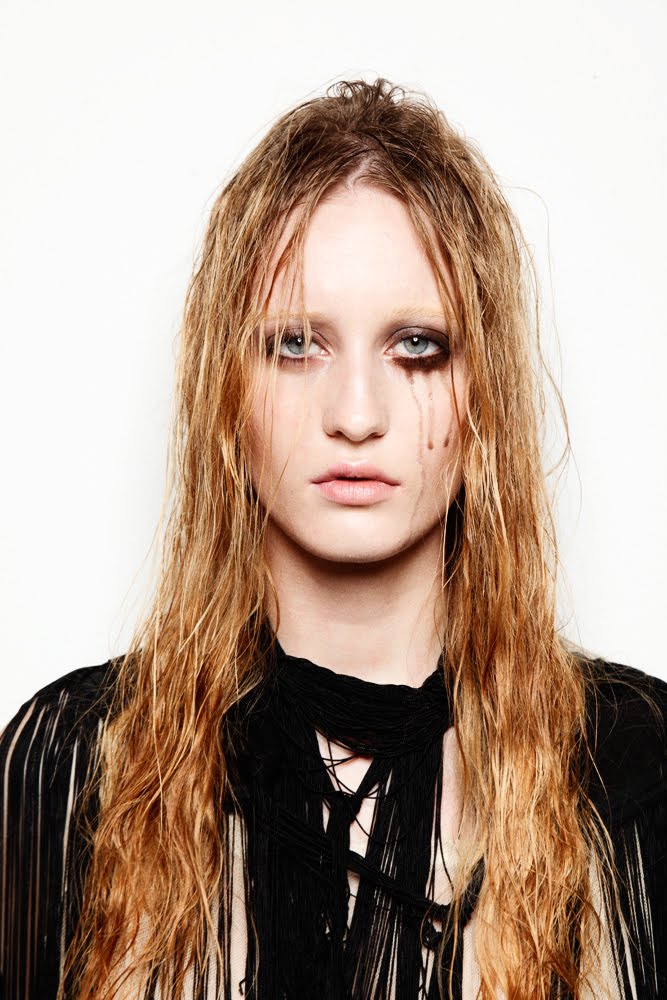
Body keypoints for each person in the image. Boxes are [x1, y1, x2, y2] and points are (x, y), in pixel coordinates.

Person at [0, 77, 665, 1000]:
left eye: (417, 346)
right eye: (295, 344)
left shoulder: (635, 765)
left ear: (483, 397)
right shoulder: (72, 763)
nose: (355, 414)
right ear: (225, 393)